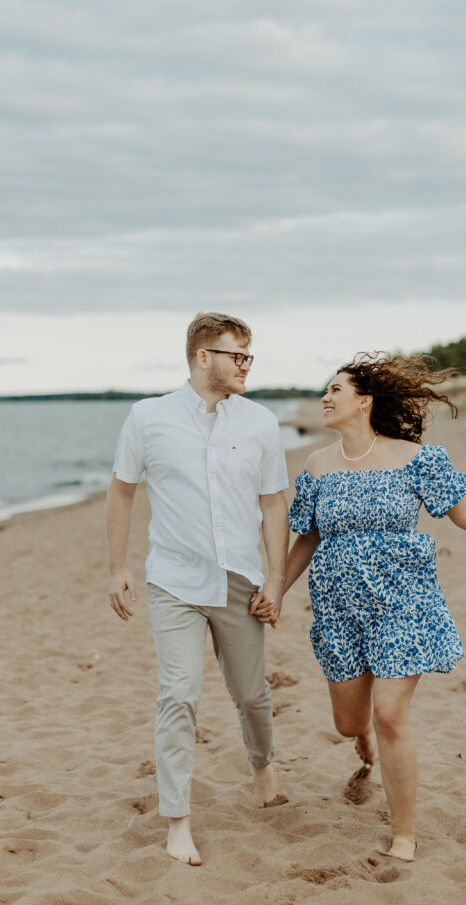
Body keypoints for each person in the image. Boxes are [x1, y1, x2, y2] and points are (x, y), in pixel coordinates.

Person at [252, 352, 466, 862]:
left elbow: (465, 511)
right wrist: (277, 589)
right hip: (338, 607)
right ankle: (362, 738)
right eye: (325, 391)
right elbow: (305, 539)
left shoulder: (415, 458)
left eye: (335, 390)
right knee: (350, 723)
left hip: (405, 604)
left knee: (392, 714)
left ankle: (403, 833)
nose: (325, 398)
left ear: (364, 401)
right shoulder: (316, 465)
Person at [107, 312, 290, 866]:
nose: (246, 366)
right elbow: (121, 494)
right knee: (179, 694)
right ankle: (178, 822)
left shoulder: (261, 423)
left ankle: (262, 764)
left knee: (251, 693)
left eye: (249, 356)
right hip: (174, 582)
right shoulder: (147, 418)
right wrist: (118, 567)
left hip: (240, 581)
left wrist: (276, 581)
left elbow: (272, 505)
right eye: (238, 356)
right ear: (202, 356)